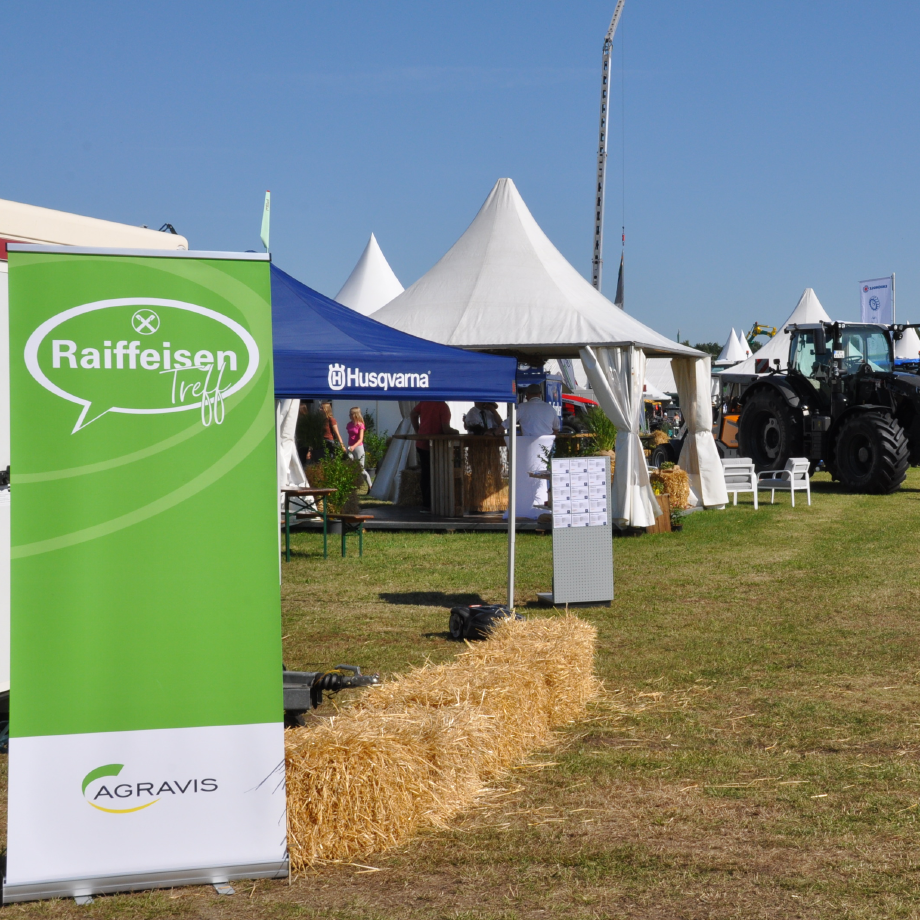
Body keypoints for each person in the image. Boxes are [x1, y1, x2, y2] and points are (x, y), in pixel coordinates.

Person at [410, 401, 454, 509]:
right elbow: (446, 429)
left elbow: (413, 414)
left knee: (426, 474)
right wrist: (456, 432)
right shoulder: (443, 407)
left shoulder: (425, 402)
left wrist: (418, 430)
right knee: (436, 474)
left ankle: (426, 503)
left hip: (421, 443)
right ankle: (434, 503)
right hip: (436, 446)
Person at [346, 407, 374, 489]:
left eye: (351, 414)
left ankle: (370, 486)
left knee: (361, 469)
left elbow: (360, 439)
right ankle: (351, 486)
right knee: (350, 467)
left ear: (355, 415)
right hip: (350, 447)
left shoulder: (360, 425)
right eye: (349, 414)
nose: (349, 415)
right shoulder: (349, 424)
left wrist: (353, 446)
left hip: (358, 447)